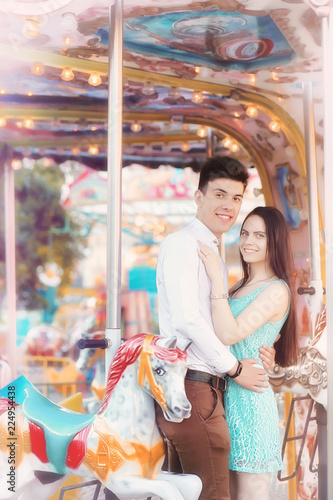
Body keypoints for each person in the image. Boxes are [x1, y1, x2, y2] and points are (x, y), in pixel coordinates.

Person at [155, 156, 276, 500]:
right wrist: (236, 368)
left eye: (236, 198)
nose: (229, 206)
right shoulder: (183, 245)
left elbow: (222, 324)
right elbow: (187, 320)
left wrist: (264, 346)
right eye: (220, 194)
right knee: (213, 493)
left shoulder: (212, 250)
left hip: (205, 387)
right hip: (194, 384)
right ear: (199, 197)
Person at [197, 206, 298, 500]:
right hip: (227, 395)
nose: (248, 241)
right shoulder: (240, 286)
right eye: (244, 233)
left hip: (251, 403)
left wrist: (216, 278)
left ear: (275, 241)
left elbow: (228, 334)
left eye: (259, 235)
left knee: (250, 495)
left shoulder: (276, 290)